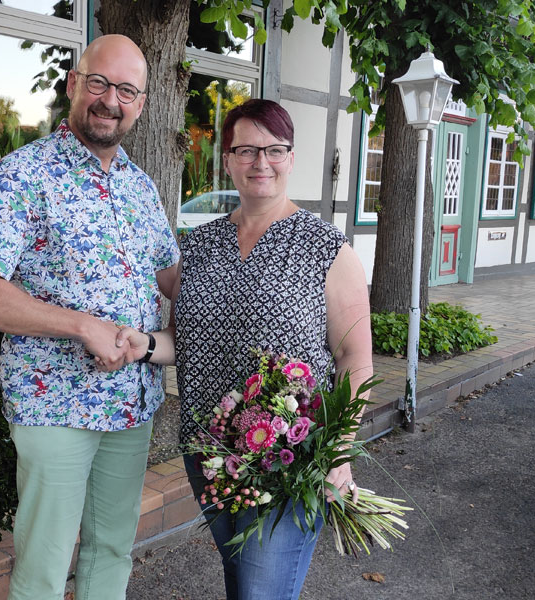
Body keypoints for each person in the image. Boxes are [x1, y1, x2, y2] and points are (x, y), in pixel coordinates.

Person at [0, 34, 179, 600]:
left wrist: (258, 290)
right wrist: (82, 324)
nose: (110, 100)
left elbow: (171, 276)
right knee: (45, 566)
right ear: (75, 84)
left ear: (142, 104)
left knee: (112, 551)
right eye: (99, 82)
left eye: (126, 89)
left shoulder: (140, 186)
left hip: (131, 401)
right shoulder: (22, 174)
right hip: (54, 405)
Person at [117, 99, 373, 600]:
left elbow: (355, 359)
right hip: (211, 455)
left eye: (275, 149)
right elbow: (186, 343)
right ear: (228, 159)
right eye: (247, 150)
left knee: (261, 591)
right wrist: (141, 345)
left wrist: (338, 450)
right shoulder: (199, 245)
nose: (262, 162)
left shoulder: (327, 248)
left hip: (289, 457)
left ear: (291, 157)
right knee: (242, 581)